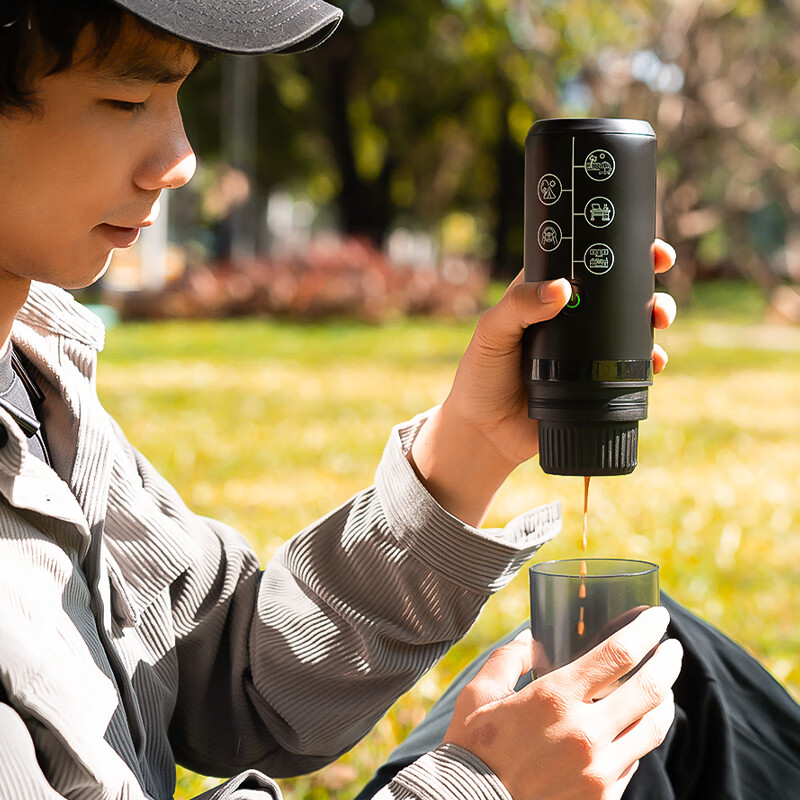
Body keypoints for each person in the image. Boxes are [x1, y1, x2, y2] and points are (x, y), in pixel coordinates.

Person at [0, 2, 797, 800]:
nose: (180, 160)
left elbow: (241, 675)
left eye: (180, 98)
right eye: (127, 101)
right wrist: (482, 789)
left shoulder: (36, 381)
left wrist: (471, 443)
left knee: (663, 681)